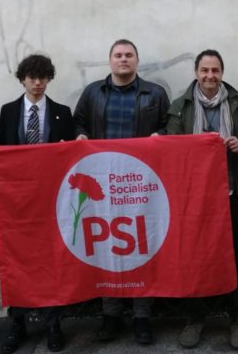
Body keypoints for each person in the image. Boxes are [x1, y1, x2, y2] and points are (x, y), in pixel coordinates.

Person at [73, 38, 170, 345]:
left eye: (129, 55)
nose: (123, 59)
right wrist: (81, 135)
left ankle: (142, 316)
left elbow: (171, 125)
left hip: (141, 183)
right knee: (107, 245)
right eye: (118, 55)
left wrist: (161, 135)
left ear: (136, 61)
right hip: (103, 181)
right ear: (110, 61)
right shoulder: (93, 93)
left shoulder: (155, 93)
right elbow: (79, 122)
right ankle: (111, 315)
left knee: (142, 243)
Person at [0, 54, 73, 354]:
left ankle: (52, 324)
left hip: (51, 202)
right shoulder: (8, 112)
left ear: (48, 79)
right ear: (22, 79)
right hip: (17, 204)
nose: (37, 82)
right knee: (16, 262)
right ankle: (17, 323)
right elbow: (1, 150)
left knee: (53, 262)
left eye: (43, 76)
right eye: (32, 76)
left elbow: (71, 157)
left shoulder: (63, 112)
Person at [165, 49, 238, 351]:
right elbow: (171, 147)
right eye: (204, 70)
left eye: (215, 70)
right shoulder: (179, 107)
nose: (210, 76)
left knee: (234, 259)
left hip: (231, 193)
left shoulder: (237, 103)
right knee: (195, 258)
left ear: (222, 72)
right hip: (194, 199)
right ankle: (196, 318)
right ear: (196, 72)